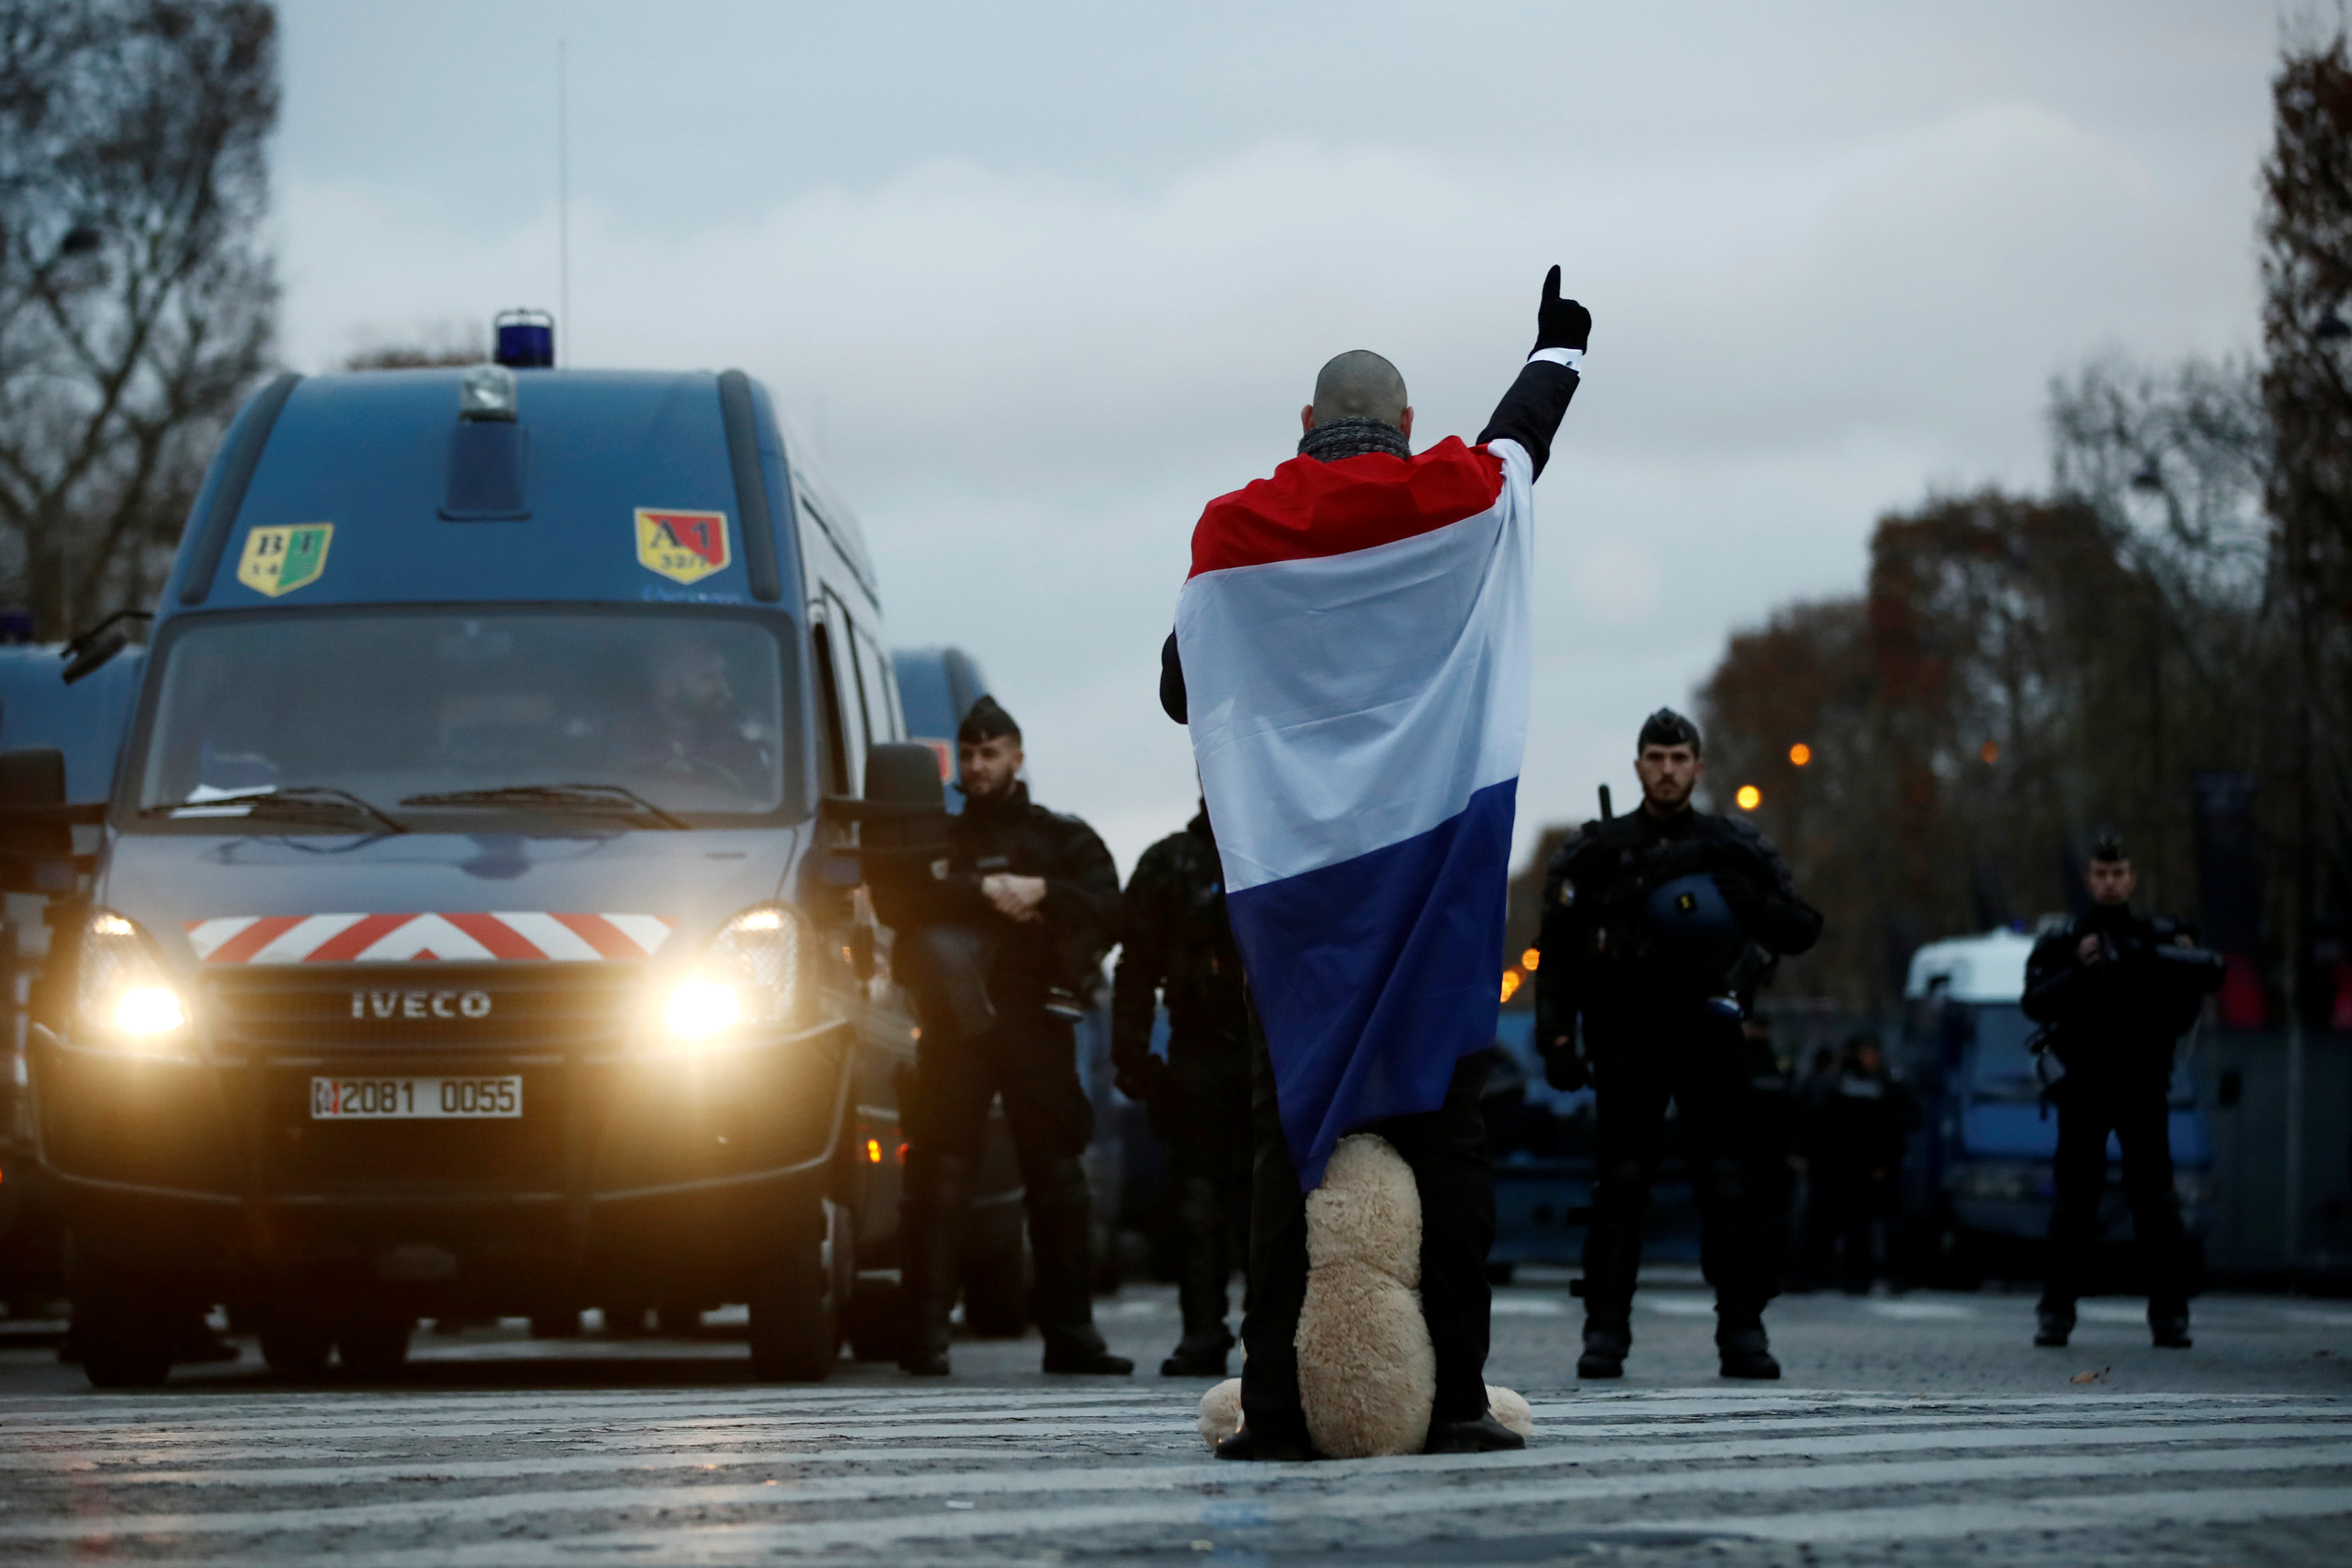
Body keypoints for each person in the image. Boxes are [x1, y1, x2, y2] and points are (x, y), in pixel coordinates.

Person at [1163, 267, 1589, 1460]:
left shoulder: (1233, 530)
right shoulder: (1452, 498)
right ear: (1405, 426)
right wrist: (1558, 352)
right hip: (1428, 892)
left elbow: (1179, 683)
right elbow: (1518, 451)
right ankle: (1455, 1395)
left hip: (1296, 910)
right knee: (1450, 1139)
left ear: (1304, 426)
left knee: (1284, 1138)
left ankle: (1276, 1405)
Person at [1533, 708, 1823, 1380]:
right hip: (1625, 1034)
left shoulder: (1733, 847)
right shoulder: (1597, 852)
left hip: (1708, 1032)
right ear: (1638, 767)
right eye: (1655, 758)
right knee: (1620, 1186)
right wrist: (1556, 1038)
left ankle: (1742, 1334)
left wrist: (1745, 903)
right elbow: (1558, 953)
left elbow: (1800, 927)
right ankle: (1604, 1333)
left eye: (1678, 758)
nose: (1666, 770)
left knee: (1727, 1183)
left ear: (1697, 767)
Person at [867, 695, 1131, 1377]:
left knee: (1055, 1175)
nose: (980, 766)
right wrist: (983, 890)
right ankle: (921, 1338)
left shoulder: (1061, 840)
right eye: (972, 754)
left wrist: (1041, 890)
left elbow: (1110, 906)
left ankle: (1071, 1336)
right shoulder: (935, 837)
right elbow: (896, 897)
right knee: (937, 1173)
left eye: (993, 753)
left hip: (1034, 1020)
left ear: (1017, 756)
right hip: (953, 1028)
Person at [2022, 834, 2222, 1350]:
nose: (2110, 883)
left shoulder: (2157, 940)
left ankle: (2170, 1315)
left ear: (2131, 879)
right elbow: (2035, 1003)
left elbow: (2185, 1006)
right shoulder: (2066, 939)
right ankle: (2056, 1314)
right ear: (2090, 879)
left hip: (2141, 1084)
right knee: (2073, 1204)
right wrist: (2079, 972)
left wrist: (2136, 977)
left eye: (2119, 874)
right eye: (2102, 874)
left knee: (2155, 1203)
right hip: (2085, 1084)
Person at [1111, 800, 1253, 1377]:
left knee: (1270, 1198)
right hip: (1198, 1050)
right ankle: (1202, 1332)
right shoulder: (1171, 863)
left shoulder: (1284, 846)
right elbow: (1137, 965)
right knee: (1197, 1199)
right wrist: (1131, 1053)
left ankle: (1271, 1332)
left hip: (1271, 1048)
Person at [1802, 1035, 1916, 1295]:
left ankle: (1857, 1278)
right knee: (1838, 1225)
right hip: (1845, 1165)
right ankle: (1831, 1276)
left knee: (1863, 1226)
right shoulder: (1851, 1084)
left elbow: (1899, 1124)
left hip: (1866, 1166)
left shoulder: (1882, 1084)